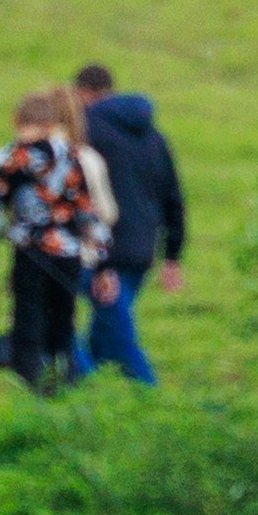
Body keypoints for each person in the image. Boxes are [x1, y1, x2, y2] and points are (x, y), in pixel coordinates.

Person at [0, 88, 116, 393]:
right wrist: (102, 266)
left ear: (16, 120)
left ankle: (36, 400)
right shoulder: (72, 156)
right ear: (51, 123)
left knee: (28, 332)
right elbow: (88, 213)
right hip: (68, 257)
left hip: (31, 257)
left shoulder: (8, 159)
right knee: (62, 331)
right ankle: (64, 394)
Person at [68, 63, 186, 387]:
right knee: (104, 338)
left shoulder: (87, 131)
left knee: (109, 338)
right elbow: (173, 196)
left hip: (101, 254)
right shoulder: (155, 136)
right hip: (142, 252)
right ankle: (93, 411)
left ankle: (156, 406)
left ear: (83, 93)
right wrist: (173, 256)